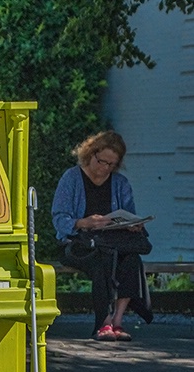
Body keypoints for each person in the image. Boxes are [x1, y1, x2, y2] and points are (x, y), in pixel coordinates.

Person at [51, 131, 152, 341]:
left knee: (132, 260)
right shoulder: (71, 178)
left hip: (113, 242)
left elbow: (128, 215)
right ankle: (103, 322)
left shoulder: (120, 183)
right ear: (90, 154)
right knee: (102, 261)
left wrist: (132, 226)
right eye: (101, 161)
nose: (104, 168)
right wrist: (82, 222)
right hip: (79, 243)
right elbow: (59, 218)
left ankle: (118, 321)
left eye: (111, 164)